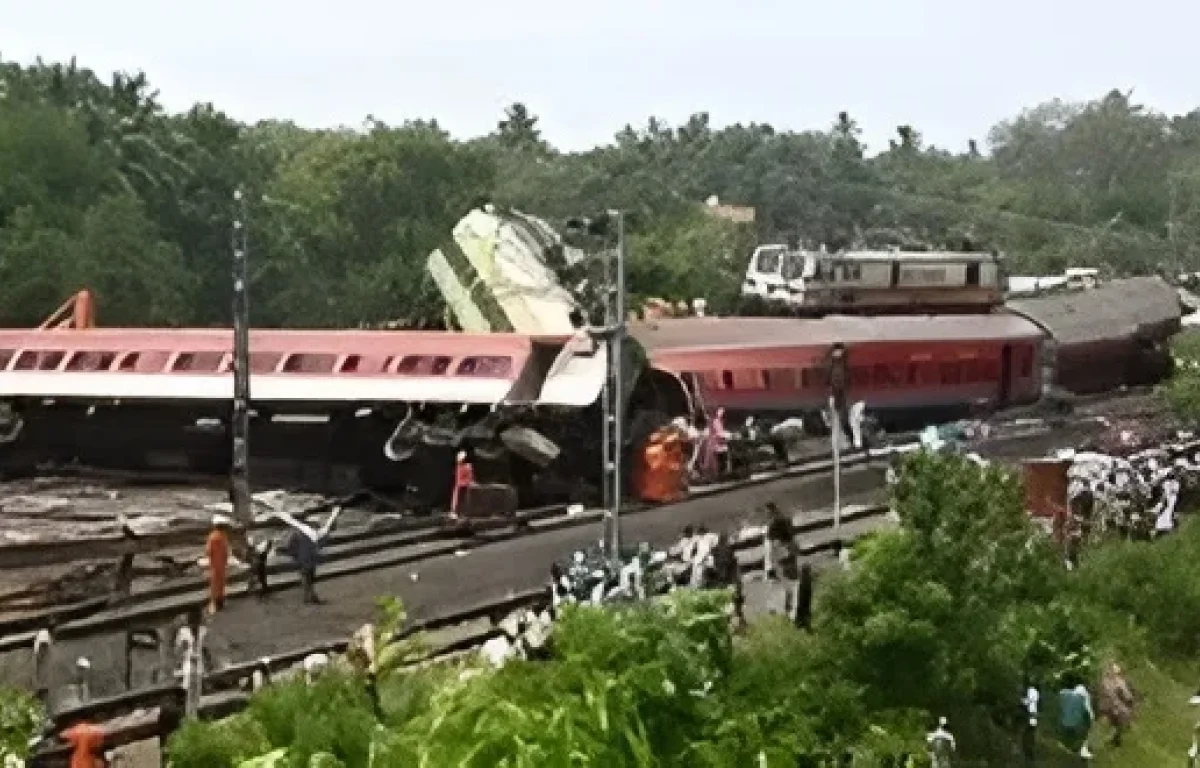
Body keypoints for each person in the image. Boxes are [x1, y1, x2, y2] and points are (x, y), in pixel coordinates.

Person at [276, 507, 343, 604]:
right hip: (306, 557)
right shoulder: (302, 532)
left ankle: (308, 596)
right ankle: (311, 597)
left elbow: (291, 546)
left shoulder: (298, 532)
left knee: (309, 577)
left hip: (307, 557)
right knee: (308, 577)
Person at [1097, 662, 1136, 746]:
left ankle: (1116, 735)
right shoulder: (1118, 682)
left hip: (1104, 705)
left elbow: (1126, 695)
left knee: (1122, 714)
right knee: (1125, 714)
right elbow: (1127, 696)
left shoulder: (1105, 679)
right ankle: (1116, 736)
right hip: (1111, 707)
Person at [1058, 674, 1095, 760]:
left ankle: (1067, 744)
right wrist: (1091, 719)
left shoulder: (1063, 693)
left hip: (1064, 723)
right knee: (1086, 729)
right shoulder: (1083, 695)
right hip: (1076, 724)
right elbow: (1089, 711)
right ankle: (1083, 750)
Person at [205, 514, 232, 615]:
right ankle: (220, 602)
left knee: (214, 584)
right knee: (221, 584)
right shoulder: (223, 536)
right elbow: (226, 550)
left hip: (215, 564)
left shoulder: (212, 537)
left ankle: (214, 603)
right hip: (222, 564)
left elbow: (208, 551)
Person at [764, 502, 795, 580]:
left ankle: (779, 574)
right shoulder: (780, 516)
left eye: (767, 511)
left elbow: (771, 533)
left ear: (770, 510)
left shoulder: (776, 519)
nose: (767, 513)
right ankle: (785, 573)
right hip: (783, 540)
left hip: (780, 541)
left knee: (778, 557)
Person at [451, 450, 474, 519]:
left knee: (463, 499)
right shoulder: (459, 466)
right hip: (460, 485)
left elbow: (469, 476)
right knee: (457, 499)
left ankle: (461, 513)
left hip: (464, 485)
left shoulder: (467, 466)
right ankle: (456, 512)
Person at [794, 563, 814, 630]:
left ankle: (801, 626)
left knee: (803, 614)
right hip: (805, 602)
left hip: (803, 602)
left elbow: (802, 593)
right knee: (805, 613)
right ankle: (804, 626)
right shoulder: (807, 579)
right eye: (809, 570)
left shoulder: (804, 579)